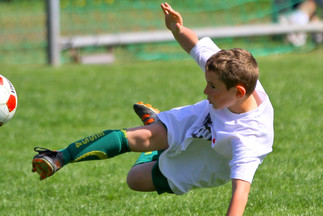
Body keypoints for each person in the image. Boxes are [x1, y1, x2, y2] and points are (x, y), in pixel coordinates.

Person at [32, 3, 274, 215]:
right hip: (197, 120)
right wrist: (177, 29)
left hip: (202, 162)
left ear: (239, 92)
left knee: (134, 180)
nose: (205, 91)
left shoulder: (249, 139)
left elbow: (240, 194)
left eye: (212, 87)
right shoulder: (229, 72)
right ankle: (60, 157)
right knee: (142, 137)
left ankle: (154, 125)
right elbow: (195, 45)